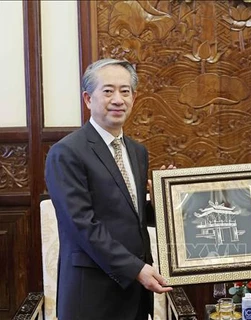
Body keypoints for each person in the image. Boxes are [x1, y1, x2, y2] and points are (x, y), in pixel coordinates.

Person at [45, 58, 173, 320]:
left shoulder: (137, 151)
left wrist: (165, 198)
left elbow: (130, 216)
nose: (118, 99)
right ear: (88, 99)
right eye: (108, 91)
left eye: (125, 91)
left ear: (134, 98)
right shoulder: (67, 152)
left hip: (134, 294)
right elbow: (82, 224)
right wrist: (136, 269)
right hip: (92, 294)